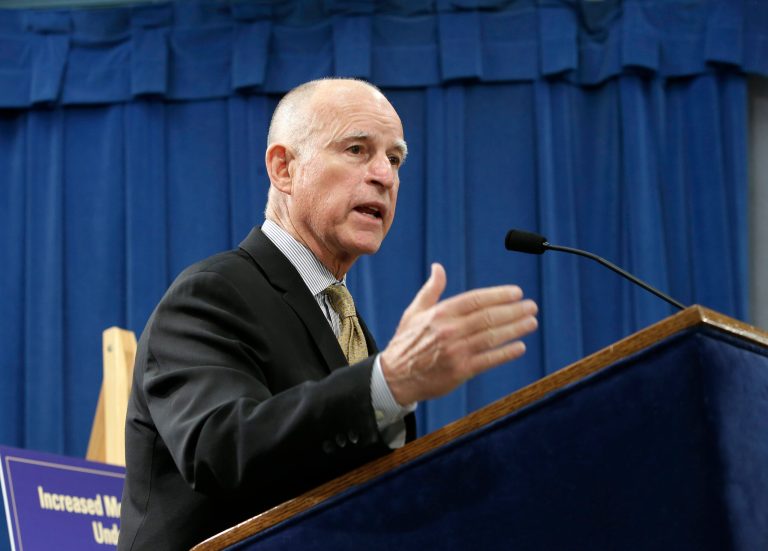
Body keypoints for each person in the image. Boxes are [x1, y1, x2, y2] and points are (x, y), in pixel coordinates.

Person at [118, 78, 538, 550]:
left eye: (395, 159)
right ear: (284, 168)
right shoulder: (210, 296)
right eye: (357, 149)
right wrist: (388, 383)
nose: (385, 175)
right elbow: (222, 449)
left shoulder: (345, 322)